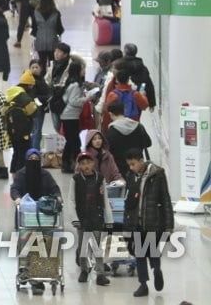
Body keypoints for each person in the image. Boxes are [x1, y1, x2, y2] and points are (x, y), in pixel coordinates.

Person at [122, 148, 174, 297]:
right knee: (139, 253)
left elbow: (165, 200)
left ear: (141, 160)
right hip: (136, 222)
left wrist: (169, 225)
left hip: (152, 221)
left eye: (133, 164)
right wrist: (127, 223)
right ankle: (143, 284)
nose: (131, 168)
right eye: (129, 165)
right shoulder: (131, 176)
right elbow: (128, 201)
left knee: (152, 251)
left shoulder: (157, 174)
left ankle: (156, 270)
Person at [71, 152, 112, 287]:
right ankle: (84, 270)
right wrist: (74, 218)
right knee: (83, 246)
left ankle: (100, 273)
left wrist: (109, 219)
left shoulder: (100, 178)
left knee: (97, 246)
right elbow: (71, 200)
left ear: (93, 163)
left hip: (97, 217)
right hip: (82, 218)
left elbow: (105, 199)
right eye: (83, 164)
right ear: (79, 166)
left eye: (88, 162)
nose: (86, 166)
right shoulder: (76, 179)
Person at [105, 100, 153, 183]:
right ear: (124, 111)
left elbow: (107, 151)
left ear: (110, 114)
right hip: (138, 167)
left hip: (120, 171)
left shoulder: (111, 131)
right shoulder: (138, 126)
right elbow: (148, 143)